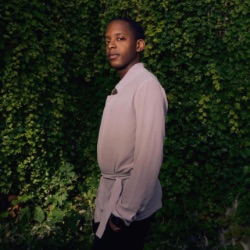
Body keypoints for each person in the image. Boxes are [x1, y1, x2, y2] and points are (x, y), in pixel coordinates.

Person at [92, 17, 168, 250]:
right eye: (108, 41)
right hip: (110, 196)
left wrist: (124, 212)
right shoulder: (125, 87)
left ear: (139, 45)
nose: (111, 45)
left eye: (120, 38)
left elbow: (149, 156)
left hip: (126, 205)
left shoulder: (146, 86)